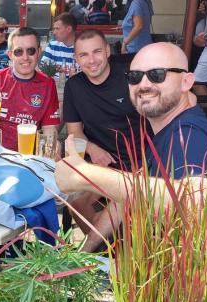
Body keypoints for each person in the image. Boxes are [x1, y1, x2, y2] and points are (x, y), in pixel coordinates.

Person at [54, 43, 207, 252]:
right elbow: (125, 201)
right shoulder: (162, 132)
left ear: (186, 81)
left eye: (157, 74)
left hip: (194, 278)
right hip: (156, 261)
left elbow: (193, 202)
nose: (143, 84)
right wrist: (83, 252)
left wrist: (86, 175)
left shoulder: (189, 133)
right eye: (135, 77)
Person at [62, 29, 147, 233]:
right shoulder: (74, 86)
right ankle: (105, 255)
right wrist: (92, 148)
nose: (91, 60)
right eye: (83, 55)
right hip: (102, 165)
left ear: (107, 51)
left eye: (97, 52)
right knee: (76, 203)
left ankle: (116, 253)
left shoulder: (130, 80)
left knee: (121, 215)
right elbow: (74, 132)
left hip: (139, 165)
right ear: (76, 58)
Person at [0, 27, 60, 151]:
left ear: (39, 52)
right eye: (18, 52)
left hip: (25, 155)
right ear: (10, 54)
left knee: (56, 147)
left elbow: (49, 129)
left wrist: (50, 149)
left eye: (31, 51)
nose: (25, 57)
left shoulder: (48, 84)